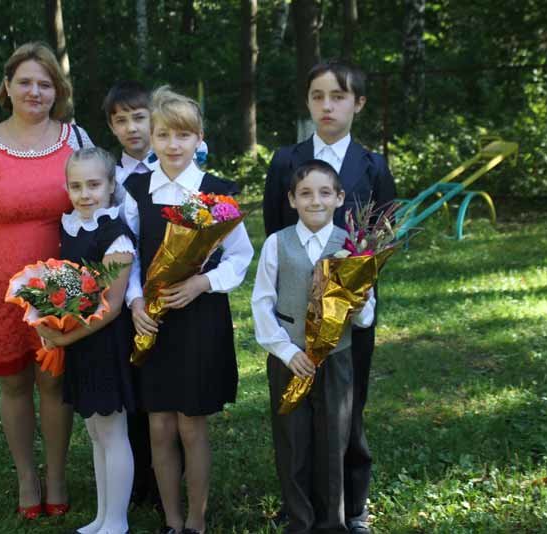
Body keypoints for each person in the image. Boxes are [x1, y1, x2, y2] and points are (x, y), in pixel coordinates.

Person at [0, 41, 92, 519]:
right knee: (13, 382)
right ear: (7, 86)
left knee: (54, 379)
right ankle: (27, 476)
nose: (35, 92)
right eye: (25, 82)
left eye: (45, 84)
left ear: (58, 91)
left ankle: (57, 475)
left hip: (61, 285)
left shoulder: (76, 139)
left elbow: (100, 199)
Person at [261, 60, 396, 534]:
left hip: (349, 319)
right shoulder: (286, 161)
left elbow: (383, 238)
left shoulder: (372, 165)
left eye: (338, 96)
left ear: (358, 103)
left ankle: (350, 506)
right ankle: (298, 502)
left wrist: (353, 298)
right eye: (318, 96)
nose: (327, 106)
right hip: (296, 318)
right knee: (295, 411)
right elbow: (275, 231)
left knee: (347, 409)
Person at [123, 86, 254, 534]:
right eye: (163, 135)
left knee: (191, 425)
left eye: (183, 135)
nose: (173, 145)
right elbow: (129, 256)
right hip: (153, 320)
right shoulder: (136, 191)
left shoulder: (215, 193)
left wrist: (202, 283)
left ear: (199, 139)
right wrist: (134, 301)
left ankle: (196, 520)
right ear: (151, 138)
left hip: (199, 321)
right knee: (159, 425)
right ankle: (172, 520)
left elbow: (240, 256)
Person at [253, 160, 376, 533]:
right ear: (292, 199)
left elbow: (365, 317)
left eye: (325, 193)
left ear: (339, 198)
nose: (315, 201)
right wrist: (287, 352)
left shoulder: (353, 247)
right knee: (292, 441)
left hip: (336, 359)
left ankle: (331, 522)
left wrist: (359, 304)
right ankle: (299, 520)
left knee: (333, 442)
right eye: (305, 193)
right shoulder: (277, 244)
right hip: (290, 359)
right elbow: (262, 302)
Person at [36, 147, 136, 534]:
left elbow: (110, 308)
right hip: (81, 342)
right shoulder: (71, 227)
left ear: (111, 186)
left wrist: (65, 339)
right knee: (95, 432)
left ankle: (118, 521)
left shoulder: (116, 236)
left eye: (94, 185)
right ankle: (102, 516)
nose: (84, 194)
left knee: (112, 431)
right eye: (75, 186)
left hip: (106, 344)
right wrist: (49, 318)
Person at [102, 81, 161, 506]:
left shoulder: (173, 170)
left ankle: (167, 474)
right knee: (133, 384)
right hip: (125, 298)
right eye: (121, 120)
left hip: (169, 297)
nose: (132, 128)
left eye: (139, 117)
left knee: (163, 387)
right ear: (111, 127)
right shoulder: (110, 181)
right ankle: (138, 476)